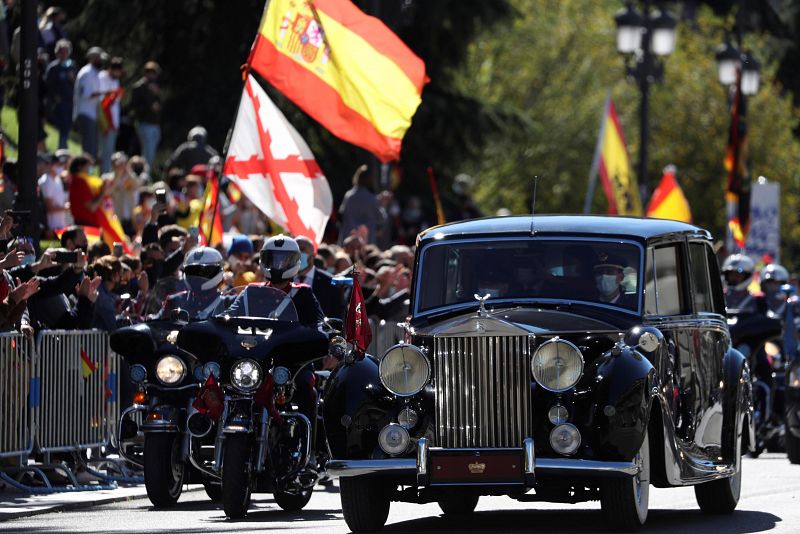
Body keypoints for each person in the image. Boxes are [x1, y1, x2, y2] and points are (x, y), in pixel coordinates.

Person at [224, 235, 323, 471]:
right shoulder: (251, 292)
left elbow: (318, 323)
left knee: (306, 386)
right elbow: (229, 315)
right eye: (272, 259)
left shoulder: (303, 293)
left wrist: (318, 333)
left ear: (295, 262)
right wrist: (219, 321)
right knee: (223, 386)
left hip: (289, 363)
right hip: (255, 361)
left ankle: (309, 454)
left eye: (284, 259)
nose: (278, 265)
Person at [158, 246, 228, 320]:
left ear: (218, 271)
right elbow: (156, 322)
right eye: (192, 271)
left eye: (203, 272)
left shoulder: (228, 302)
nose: (196, 277)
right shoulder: (174, 300)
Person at [295, 236, 344, 319]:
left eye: (302, 249)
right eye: (295, 250)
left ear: (313, 255)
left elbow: (337, 318)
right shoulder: (283, 279)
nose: (298, 253)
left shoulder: (330, 283)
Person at [73, 47, 105, 159]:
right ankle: (84, 172)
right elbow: (86, 93)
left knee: (92, 148)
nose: (101, 61)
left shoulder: (94, 72)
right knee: (88, 148)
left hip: (91, 114)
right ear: (92, 58)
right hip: (85, 113)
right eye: (98, 58)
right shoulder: (87, 72)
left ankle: (87, 172)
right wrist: (105, 93)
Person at [338, 164, 382, 245]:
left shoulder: (349, 195)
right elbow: (379, 218)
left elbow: (341, 215)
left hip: (348, 237)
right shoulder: (371, 198)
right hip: (367, 239)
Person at [45, 39, 76, 149]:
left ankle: (63, 146)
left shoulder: (71, 66)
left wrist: (73, 79)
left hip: (69, 102)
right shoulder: (53, 67)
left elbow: (76, 84)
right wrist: (54, 96)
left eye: (66, 51)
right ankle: (62, 148)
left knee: (67, 126)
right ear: (57, 52)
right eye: (61, 51)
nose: (63, 54)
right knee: (62, 126)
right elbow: (48, 84)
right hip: (58, 103)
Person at [130, 61, 162, 169]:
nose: (155, 76)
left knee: (151, 151)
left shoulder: (155, 87)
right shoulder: (139, 87)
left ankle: (145, 173)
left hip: (155, 123)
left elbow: (159, 103)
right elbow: (135, 106)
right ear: (148, 73)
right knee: (148, 151)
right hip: (144, 123)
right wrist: (150, 106)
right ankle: (145, 174)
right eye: (153, 73)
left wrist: (157, 95)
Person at [98, 57, 125, 174]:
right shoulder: (102, 77)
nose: (118, 74)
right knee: (103, 152)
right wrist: (113, 95)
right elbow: (103, 101)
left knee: (108, 152)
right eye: (117, 71)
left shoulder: (116, 81)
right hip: (104, 120)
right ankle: (103, 176)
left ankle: (104, 175)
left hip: (113, 122)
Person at [38, 154, 68, 232]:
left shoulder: (57, 180)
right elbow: (49, 207)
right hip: (51, 226)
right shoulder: (47, 181)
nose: (61, 167)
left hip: (60, 224)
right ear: (51, 165)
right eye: (58, 165)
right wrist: (66, 208)